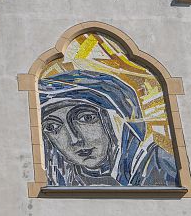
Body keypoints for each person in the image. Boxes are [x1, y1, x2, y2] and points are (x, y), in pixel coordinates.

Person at [39, 69, 178, 186]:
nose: (75, 139)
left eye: (86, 118)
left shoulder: (161, 168)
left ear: (116, 121)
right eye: (52, 127)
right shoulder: (59, 179)